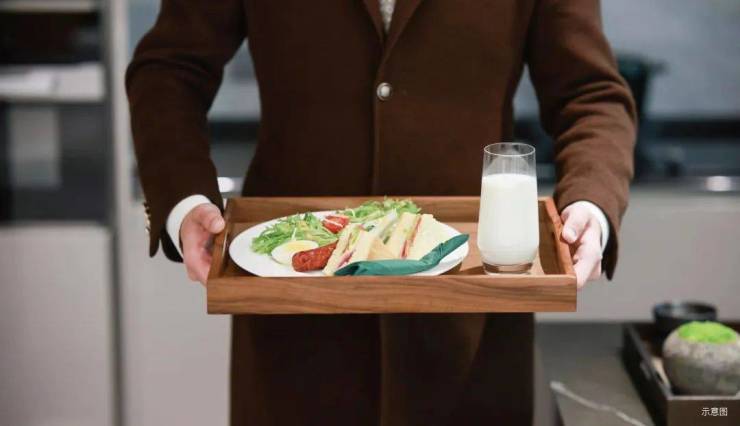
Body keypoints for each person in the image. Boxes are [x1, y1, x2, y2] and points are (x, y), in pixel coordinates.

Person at [126, 1, 636, 425]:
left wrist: (590, 201)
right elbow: (170, 69)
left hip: (470, 334)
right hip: (295, 336)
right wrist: (183, 198)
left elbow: (589, 94)